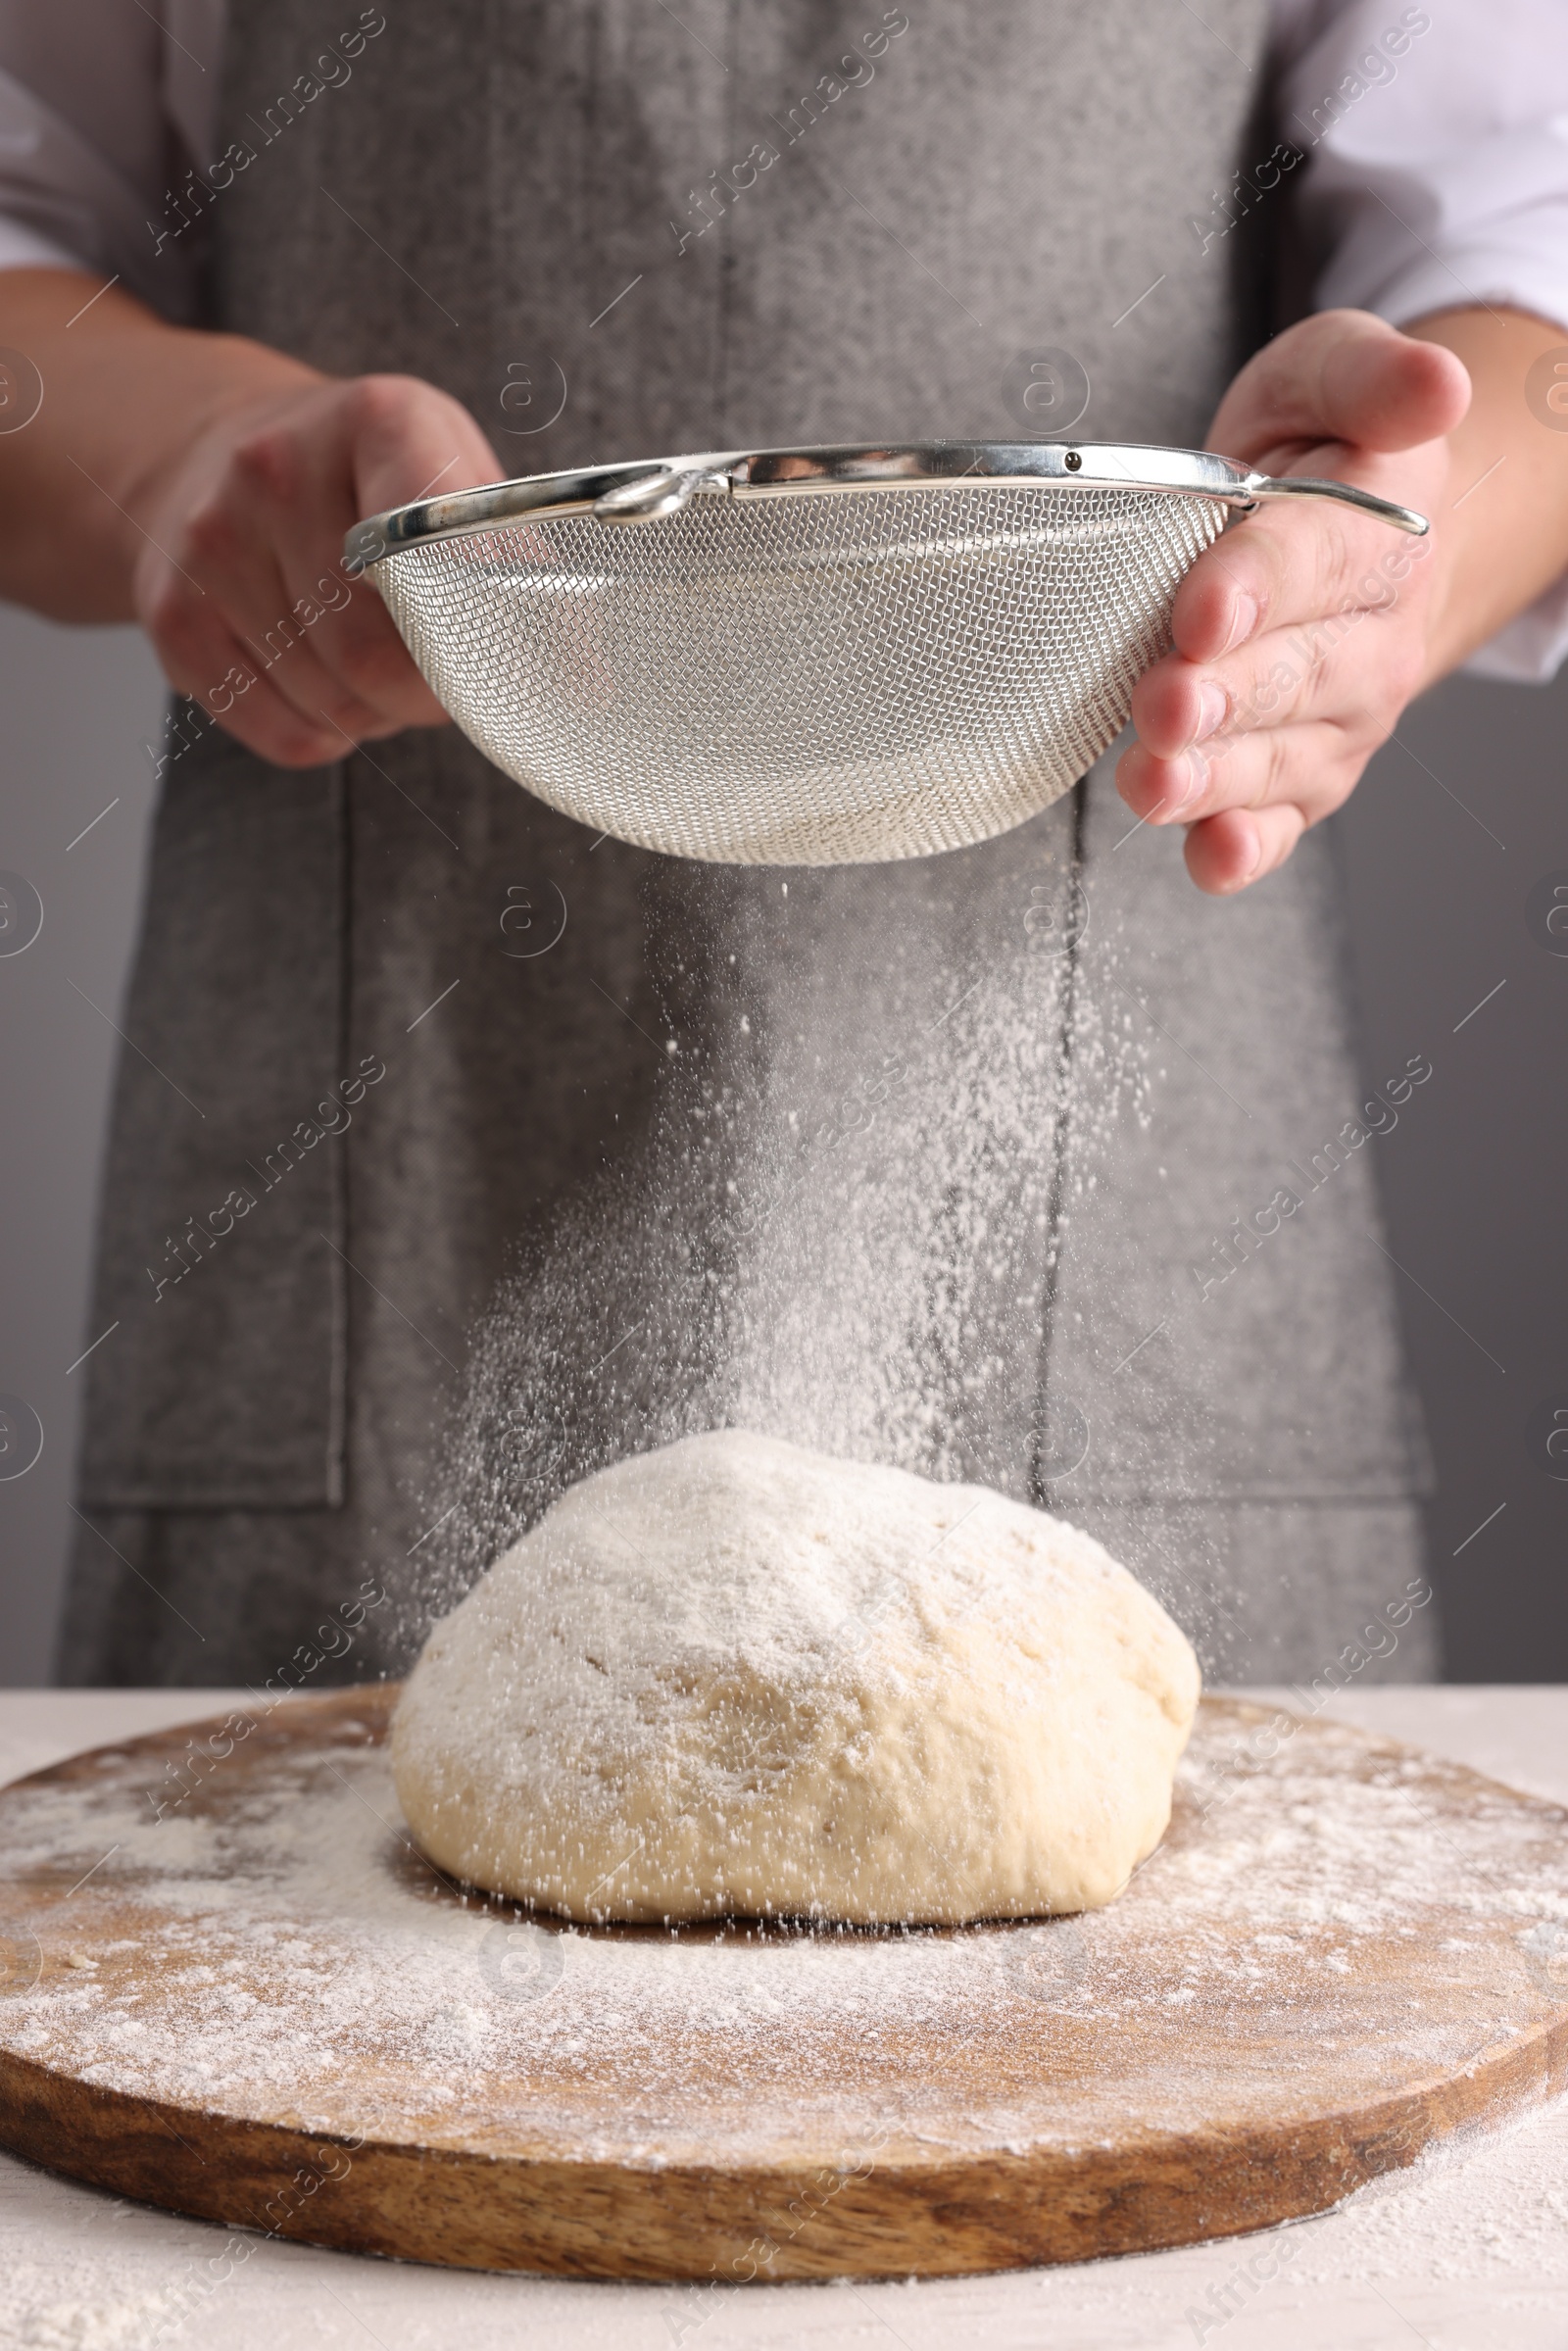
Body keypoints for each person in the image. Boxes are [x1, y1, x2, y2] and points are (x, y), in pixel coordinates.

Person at [2, 1, 1565, 1689]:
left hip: (1125, 1216)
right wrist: (181, 460)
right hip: (380, 1186)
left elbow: (1529, 244)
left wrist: (1383, 552)